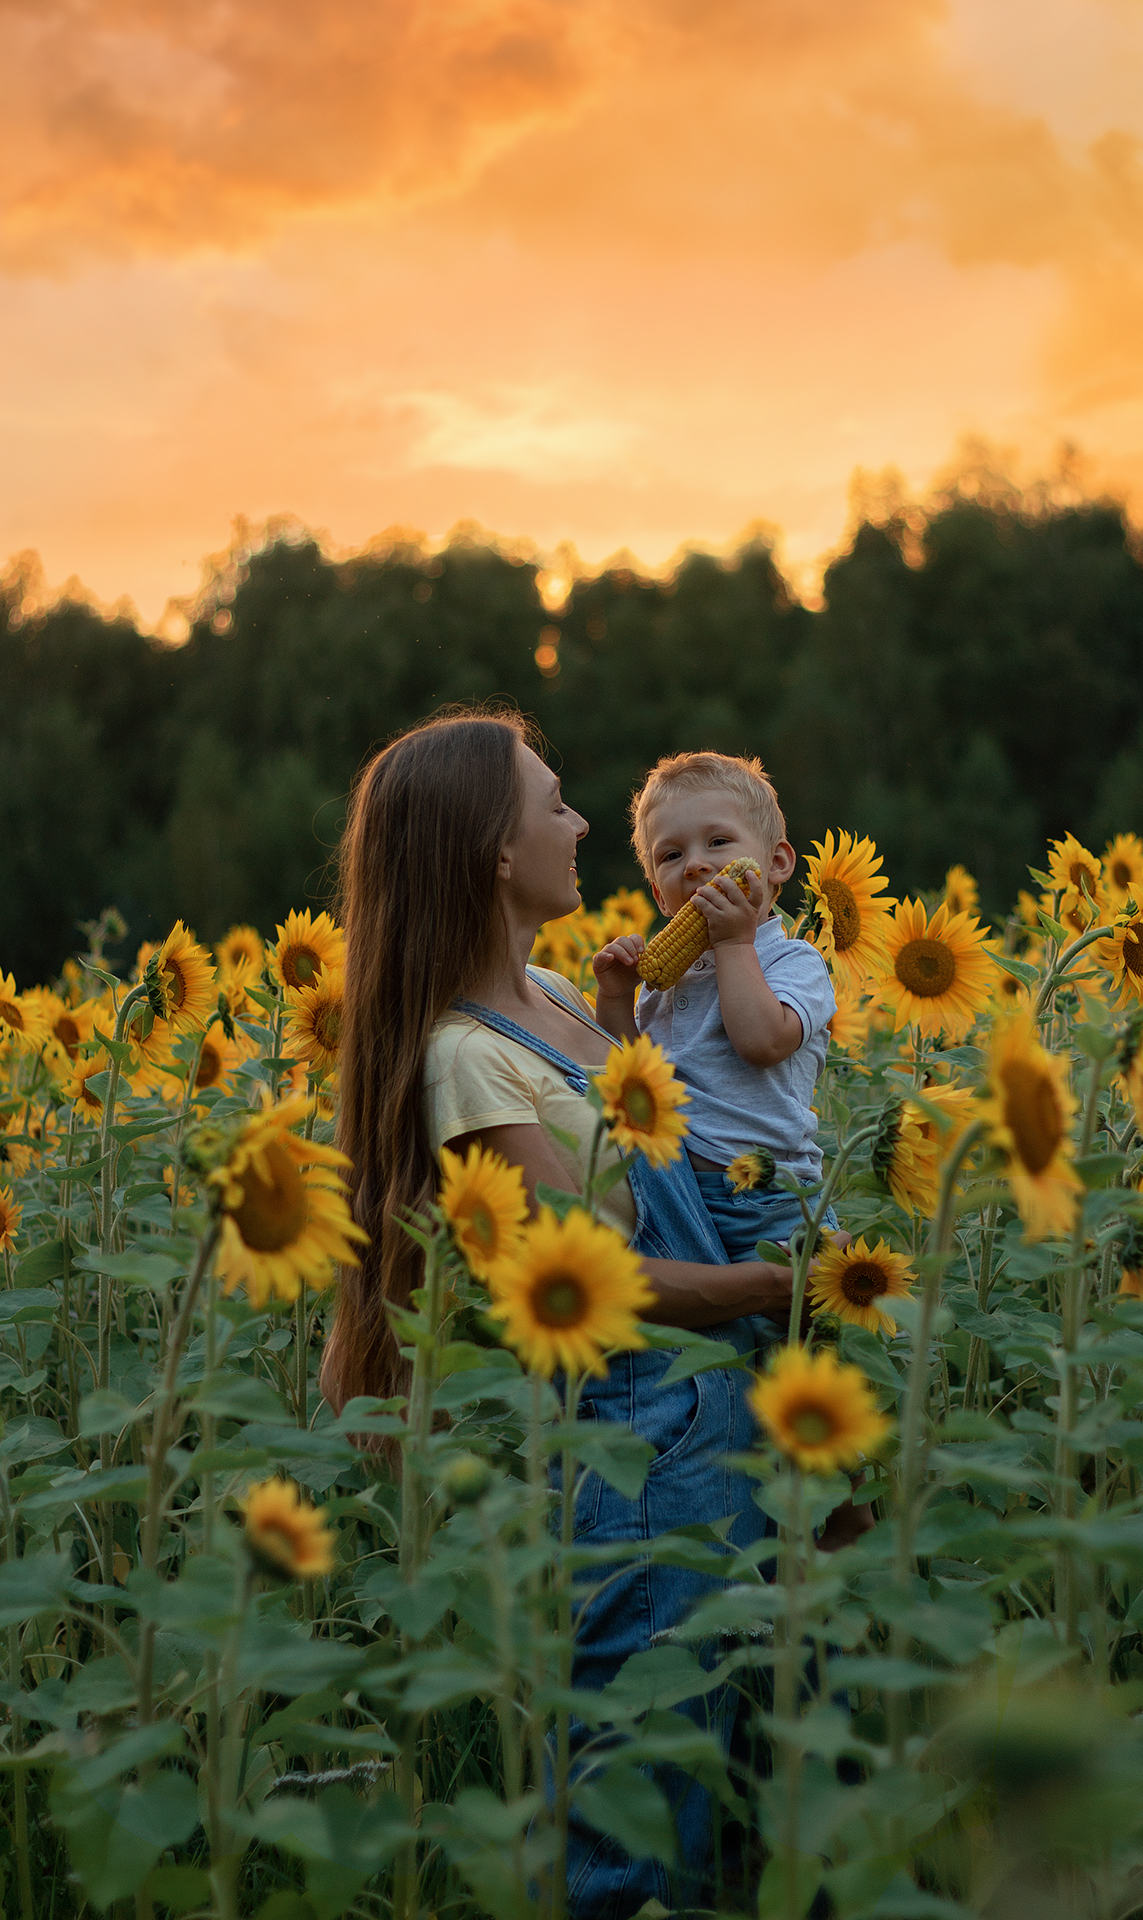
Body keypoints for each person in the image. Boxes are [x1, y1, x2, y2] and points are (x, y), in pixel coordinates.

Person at [321, 710, 805, 1919]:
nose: (582, 823)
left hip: (735, 1427)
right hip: (643, 1459)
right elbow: (602, 1285)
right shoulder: (462, 1059)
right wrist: (789, 1286)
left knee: (744, 1806)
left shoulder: (553, 995)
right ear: (493, 848)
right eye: (552, 804)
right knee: (634, 1835)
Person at [592, 750, 838, 1270]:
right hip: (681, 1195)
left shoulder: (794, 960)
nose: (697, 864)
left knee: (796, 1331)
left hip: (767, 1202)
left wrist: (733, 945)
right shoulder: (667, 980)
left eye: (718, 842)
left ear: (776, 864)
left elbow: (762, 1042)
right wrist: (616, 997)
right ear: (661, 896)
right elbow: (637, 1073)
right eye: (671, 855)